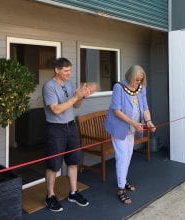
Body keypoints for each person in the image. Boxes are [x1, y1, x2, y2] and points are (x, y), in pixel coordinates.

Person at [42, 57, 97, 212]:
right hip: (55, 129)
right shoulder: (49, 87)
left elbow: (76, 105)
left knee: (73, 161)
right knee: (53, 165)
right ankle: (50, 196)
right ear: (56, 70)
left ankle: (73, 193)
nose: (69, 73)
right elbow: (56, 109)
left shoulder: (69, 84)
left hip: (71, 127)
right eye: (66, 70)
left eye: (70, 70)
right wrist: (75, 96)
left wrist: (83, 96)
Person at [104, 65, 156, 204]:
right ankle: (120, 189)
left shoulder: (141, 89)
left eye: (140, 80)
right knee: (122, 156)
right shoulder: (119, 87)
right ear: (130, 76)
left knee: (129, 155)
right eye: (136, 79)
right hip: (119, 127)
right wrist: (134, 123)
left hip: (132, 128)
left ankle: (123, 179)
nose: (137, 82)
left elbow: (144, 107)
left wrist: (149, 121)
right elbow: (116, 110)